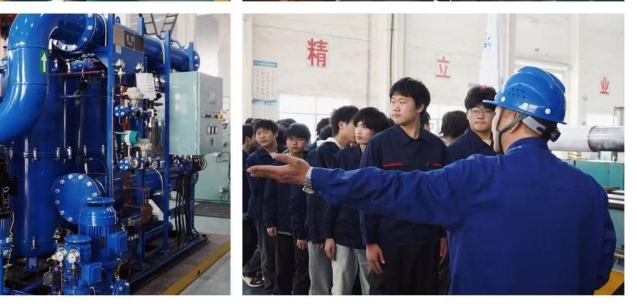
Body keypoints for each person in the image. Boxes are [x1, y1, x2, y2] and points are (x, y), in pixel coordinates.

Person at [248, 67, 616, 295]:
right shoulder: (590, 191)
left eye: (498, 112)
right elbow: (599, 273)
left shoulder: (478, 175)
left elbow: (392, 187)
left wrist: (312, 175)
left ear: (513, 119)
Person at [359, 78, 446, 295]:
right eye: (393, 101)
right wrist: (370, 241)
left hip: (427, 240)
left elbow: (443, 193)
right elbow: (367, 192)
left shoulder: (436, 146)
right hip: (390, 241)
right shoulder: (379, 144)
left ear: (420, 106)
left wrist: (443, 235)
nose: (395, 107)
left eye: (402, 101)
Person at [325, 108, 391, 294]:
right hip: (343, 233)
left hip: (372, 237)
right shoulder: (343, 157)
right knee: (340, 287)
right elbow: (332, 198)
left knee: (371, 288)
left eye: (365, 127)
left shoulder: (385, 159)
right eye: (357, 126)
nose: (359, 131)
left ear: (378, 131)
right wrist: (328, 235)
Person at [307, 106, 358, 294]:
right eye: (356, 124)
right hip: (321, 231)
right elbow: (314, 196)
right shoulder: (321, 153)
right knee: (321, 283)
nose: (360, 130)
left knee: (339, 283)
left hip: (340, 231)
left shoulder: (353, 154)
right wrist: (320, 233)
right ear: (341, 125)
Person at [264, 123, 311, 294]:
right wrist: (270, 222)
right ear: (285, 141)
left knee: (302, 268)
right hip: (282, 224)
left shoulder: (311, 164)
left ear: (307, 141)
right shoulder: (277, 164)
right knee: (282, 266)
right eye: (291, 139)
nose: (294, 143)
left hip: (304, 227)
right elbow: (269, 196)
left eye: (299, 139)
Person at [245, 119, 280, 294]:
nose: (261, 136)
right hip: (261, 211)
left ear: (275, 134)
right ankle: (271, 289)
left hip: (282, 209)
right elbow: (257, 187)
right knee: (267, 252)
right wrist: (279, 176)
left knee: (280, 250)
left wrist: (268, 174)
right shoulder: (254, 158)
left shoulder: (284, 154)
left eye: (265, 132)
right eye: (258, 133)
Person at [446, 85, 497, 164]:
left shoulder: (503, 144)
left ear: (495, 114)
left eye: (487, 111)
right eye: (475, 111)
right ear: (467, 114)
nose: (480, 116)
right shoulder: (455, 149)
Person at [242, 124, 263, 288]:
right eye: (257, 134)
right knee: (248, 240)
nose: (259, 138)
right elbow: (244, 186)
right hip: (248, 207)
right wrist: (243, 209)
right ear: (248, 138)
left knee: (252, 240)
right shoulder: (246, 159)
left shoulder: (249, 156)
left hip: (250, 206)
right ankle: (247, 270)